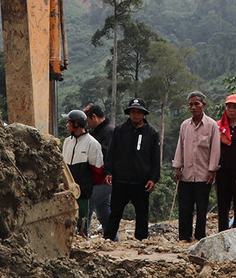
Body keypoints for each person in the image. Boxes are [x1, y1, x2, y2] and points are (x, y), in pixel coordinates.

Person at [103, 99, 161, 241]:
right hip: (121, 179)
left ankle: (141, 239)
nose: (136, 115)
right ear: (129, 113)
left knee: (142, 213)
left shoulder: (152, 133)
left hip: (141, 181)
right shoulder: (120, 130)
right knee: (115, 211)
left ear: (144, 114)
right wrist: (108, 171)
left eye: (139, 112)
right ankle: (109, 238)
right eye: (133, 112)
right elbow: (111, 152)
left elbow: (155, 158)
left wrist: (153, 178)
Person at [173, 91, 221, 241]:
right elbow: (180, 146)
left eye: (196, 104)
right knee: (185, 207)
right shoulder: (185, 125)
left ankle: (200, 236)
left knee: (201, 208)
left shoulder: (212, 125)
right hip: (186, 173)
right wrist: (177, 167)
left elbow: (215, 149)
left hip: (203, 174)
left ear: (203, 105)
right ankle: (184, 236)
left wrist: (212, 170)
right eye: (191, 104)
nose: (193, 107)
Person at [61, 110, 104, 236]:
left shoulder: (92, 143)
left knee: (82, 221)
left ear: (76, 124)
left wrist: (88, 187)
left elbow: (97, 169)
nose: (67, 125)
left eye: (69, 122)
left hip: (83, 191)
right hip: (68, 189)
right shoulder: (67, 141)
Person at [215, 94, 236, 229]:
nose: (231, 110)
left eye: (235, 107)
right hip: (222, 169)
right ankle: (222, 232)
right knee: (222, 203)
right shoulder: (219, 126)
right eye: (228, 107)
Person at [85, 104, 116, 234]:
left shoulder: (108, 131)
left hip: (105, 177)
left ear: (94, 117)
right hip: (102, 178)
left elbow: (106, 156)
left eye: (87, 120)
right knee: (103, 210)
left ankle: (82, 234)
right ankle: (111, 237)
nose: (87, 124)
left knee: (88, 204)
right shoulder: (101, 132)